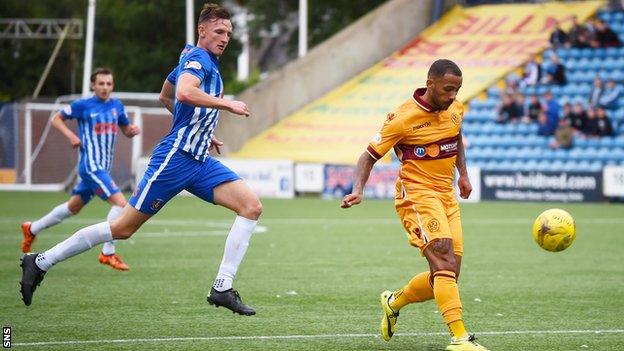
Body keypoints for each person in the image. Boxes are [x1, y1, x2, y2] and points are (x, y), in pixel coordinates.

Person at [19, 3, 261, 316]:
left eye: (228, 32)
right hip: (175, 160)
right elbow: (185, 93)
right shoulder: (198, 59)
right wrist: (227, 106)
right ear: (202, 31)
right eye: (219, 31)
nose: (225, 37)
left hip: (199, 159)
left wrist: (200, 127)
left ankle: (223, 287)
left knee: (251, 206)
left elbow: (166, 95)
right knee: (122, 228)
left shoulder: (196, 57)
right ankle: (39, 262)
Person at [341, 59, 489, 351]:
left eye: (457, 90)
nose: (453, 96)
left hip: (446, 196)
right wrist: (358, 189)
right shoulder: (402, 118)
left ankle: (394, 301)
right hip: (417, 197)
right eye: (448, 89)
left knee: (446, 274)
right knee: (444, 260)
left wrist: (464, 174)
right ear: (430, 83)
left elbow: (455, 136)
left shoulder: (455, 108)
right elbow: (367, 156)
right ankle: (459, 338)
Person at [20, 67, 140, 271]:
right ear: (93, 85)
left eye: (108, 84)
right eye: (101, 83)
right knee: (121, 204)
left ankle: (32, 228)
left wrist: (131, 131)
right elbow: (56, 118)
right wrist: (71, 136)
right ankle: (108, 253)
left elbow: (125, 129)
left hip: (102, 167)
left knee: (73, 207)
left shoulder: (116, 106)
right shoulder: (83, 105)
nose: (105, 87)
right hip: (90, 167)